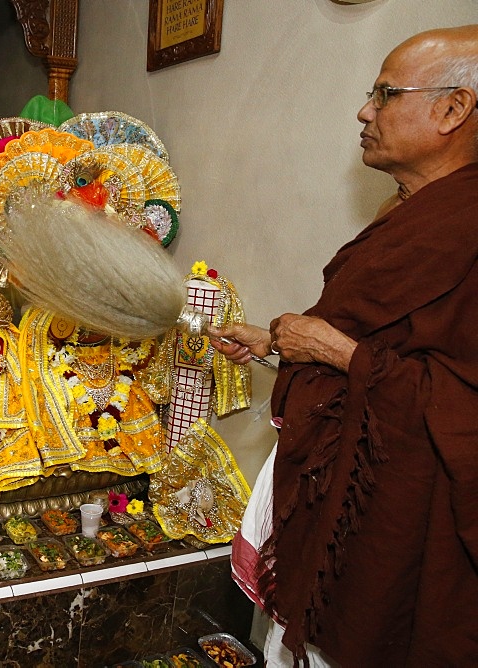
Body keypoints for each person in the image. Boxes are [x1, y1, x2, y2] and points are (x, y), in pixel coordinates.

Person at [211, 25, 478, 666]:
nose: (364, 111)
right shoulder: (410, 212)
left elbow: (460, 404)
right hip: (335, 512)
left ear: (452, 110)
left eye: (385, 94)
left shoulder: (465, 225)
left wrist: (340, 354)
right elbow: (385, 339)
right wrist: (281, 344)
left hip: (397, 536)